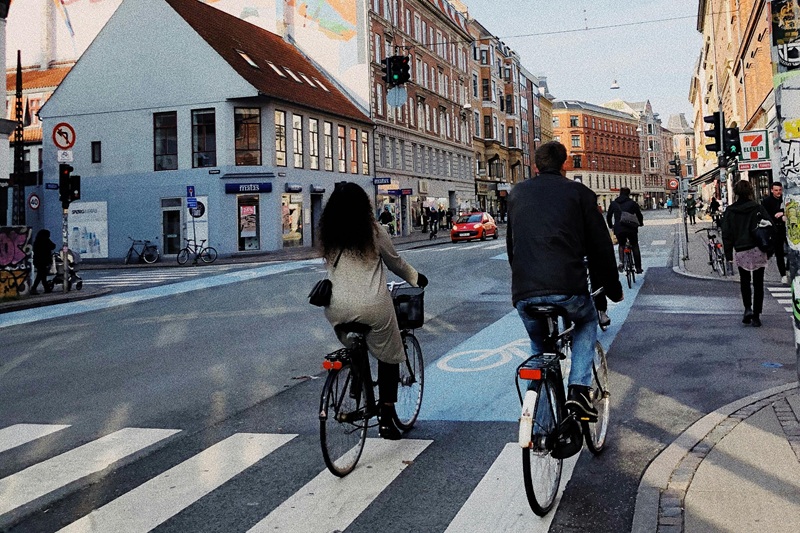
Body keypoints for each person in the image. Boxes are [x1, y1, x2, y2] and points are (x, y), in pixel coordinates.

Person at [506, 141, 623, 420]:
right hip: (567, 289)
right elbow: (601, 248)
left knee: (540, 348)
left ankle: (541, 431)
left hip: (525, 292)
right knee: (586, 321)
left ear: (535, 166)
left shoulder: (517, 193)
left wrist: (524, 282)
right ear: (565, 165)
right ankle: (579, 391)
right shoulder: (580, 193)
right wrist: (613, 289)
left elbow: (512, 246)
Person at [318, 182, 428, 440]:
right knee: (388, 356)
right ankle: (387, 419)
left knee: (357, 345)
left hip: (336, 308)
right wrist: (416, 278)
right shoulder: (373, 231)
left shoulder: (328, 233)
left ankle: (358, 383)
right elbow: (395, 262)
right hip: (372, 306)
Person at [721, 180, 771, 328]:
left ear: (735, 192)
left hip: (741, 249)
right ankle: (756, 315)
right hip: (757, 248)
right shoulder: (757, 208)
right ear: (750, 191)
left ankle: (747, 308)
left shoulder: (730, 211)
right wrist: (770, 249)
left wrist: (728, 256)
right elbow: (769, 227)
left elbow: (726, 234)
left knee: (744, 281)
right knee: (758, 282)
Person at [606, 187, 644, 274]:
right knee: (634, 245)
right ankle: (638, 267)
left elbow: (608, 216)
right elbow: (639, 214)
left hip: (619, 228)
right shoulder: (632, 203)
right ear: (628, 194)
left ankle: (621, 263)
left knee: (621, 245)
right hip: (631, 228)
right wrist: (640, 223)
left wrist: (611, 226)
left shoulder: (614, 203)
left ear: (620, 193)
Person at [761, 182, 788, 284]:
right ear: (772, 190)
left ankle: (788, 269)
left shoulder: (785, 199)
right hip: (775, 230)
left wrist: (784, 213)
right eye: (776, 190)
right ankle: (783, 274)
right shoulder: (767, 201)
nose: (778, 193)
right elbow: (766, 215)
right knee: (778, 252)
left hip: (787, 229)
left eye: (780, 190)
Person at [30, 229, 56, 295]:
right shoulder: (46, 241)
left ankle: (46, 288)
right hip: (44, 260)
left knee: (42, 275)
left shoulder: (37, 241)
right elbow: (53, 246)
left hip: (38, 261)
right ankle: (34, 288)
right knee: (41, 275)